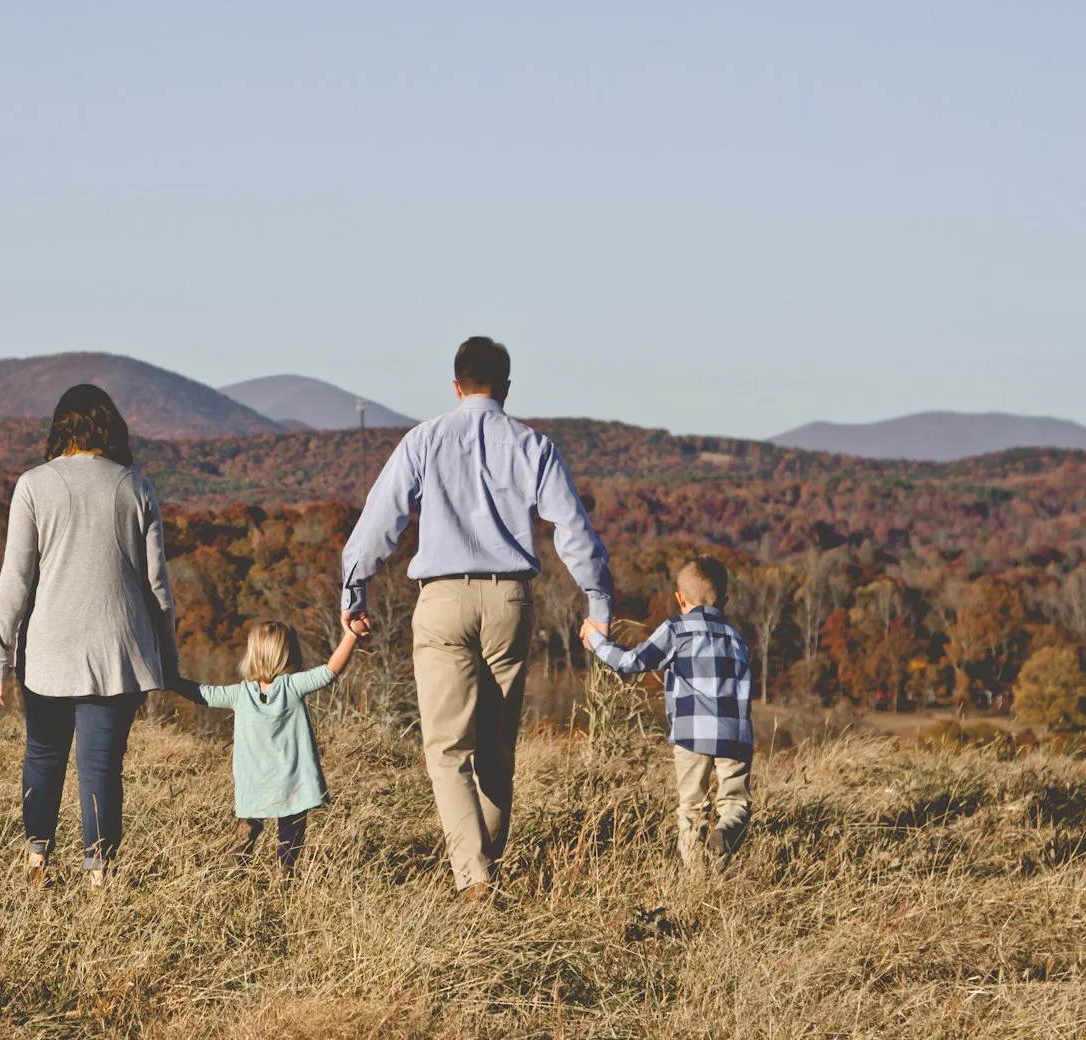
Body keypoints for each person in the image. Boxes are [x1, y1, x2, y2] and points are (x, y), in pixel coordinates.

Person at [340, 336, 613, 900]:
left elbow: (379, 520)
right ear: (506, 388)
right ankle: (482, 868)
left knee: (446, 749)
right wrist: (598, 602)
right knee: (495, 748)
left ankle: (474, 877)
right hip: (510, 601)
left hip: (441, 602)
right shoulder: (534, 445)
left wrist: (354, 587)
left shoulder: (424, 440)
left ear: (456, 385)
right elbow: (573, 530)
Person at [0, 384, 177, 887]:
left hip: (46, 653)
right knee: (100, 768)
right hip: (118, 653)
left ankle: (36, 862)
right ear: (110, 426)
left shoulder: (32, 485)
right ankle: (98, 876)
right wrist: (167, 659)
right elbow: (158, 587)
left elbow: (15, 581)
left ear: (60, 428)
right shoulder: (135, 487)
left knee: (43, 756)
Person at [578, 556, 752, 873]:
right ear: (724, 600)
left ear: (679, 598)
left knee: (692, 807)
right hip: (735, 734)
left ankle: (697, 880)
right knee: (737, 803)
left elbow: (631, 663)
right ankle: (726, 832)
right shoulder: (737, 638)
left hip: (691, 733)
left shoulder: (676, 629)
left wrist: (597, 643)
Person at [172, 620, 361, 873]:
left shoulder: (240, 694)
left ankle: (237, 860)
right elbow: (330, 671)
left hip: (254, 781)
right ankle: (285, 872)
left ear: (253, 654)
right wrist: (351, 635)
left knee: (250, 820)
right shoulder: (293, 687)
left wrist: (170, 680)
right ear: (289, 654)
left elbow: (202, 693)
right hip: (292, 782)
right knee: (292, 827)